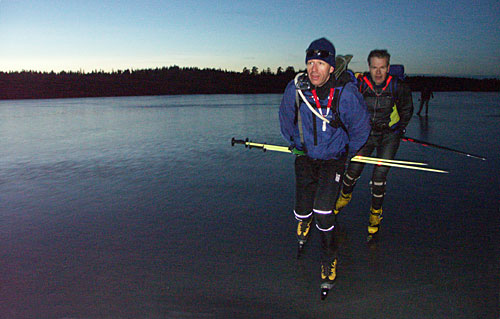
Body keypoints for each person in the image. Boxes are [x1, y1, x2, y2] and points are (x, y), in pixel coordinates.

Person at [279, 38, 371, 296]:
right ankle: (303, 221)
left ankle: (329, 259)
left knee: (323, 211)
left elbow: (361, 128)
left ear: (331, 67)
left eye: (320, 63)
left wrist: (348, 153)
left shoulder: (345, 92)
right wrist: (295, 143)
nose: (314, 69)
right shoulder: (297, 88)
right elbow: (286, 117)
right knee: (301, 210)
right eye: (310, 63)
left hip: (333, 159)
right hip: (307, 156)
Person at [334, 49, 414, 241]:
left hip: (388, 136)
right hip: (366, 134)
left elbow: (407, 108)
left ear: (388, 67)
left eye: (382, 68)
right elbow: (344, 84)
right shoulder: (361, 84)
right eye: (374, 68)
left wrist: (399, 128)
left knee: (379, 175)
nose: (378, 73)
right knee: (352, 170)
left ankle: (375, 215)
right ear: (369, 67)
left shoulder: (397, 86)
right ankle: (344, 197)